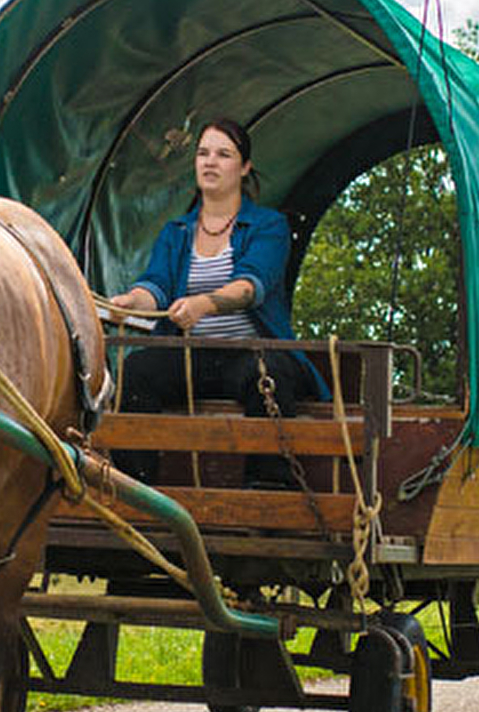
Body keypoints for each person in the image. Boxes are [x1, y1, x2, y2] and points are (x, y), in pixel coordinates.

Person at [106, 118, 325, 487]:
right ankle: (136, 489)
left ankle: (266, 494)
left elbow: (250, 286)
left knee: (266, 375)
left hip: (252, 353)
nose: (210, 162)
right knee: (136, 372)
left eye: (223, 154)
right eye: (203, 153)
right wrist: (127, 302)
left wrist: (202, 305)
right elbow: (155, 287)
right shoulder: (176, 232)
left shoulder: (268, 226)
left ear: (244, 168)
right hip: (195, 357)